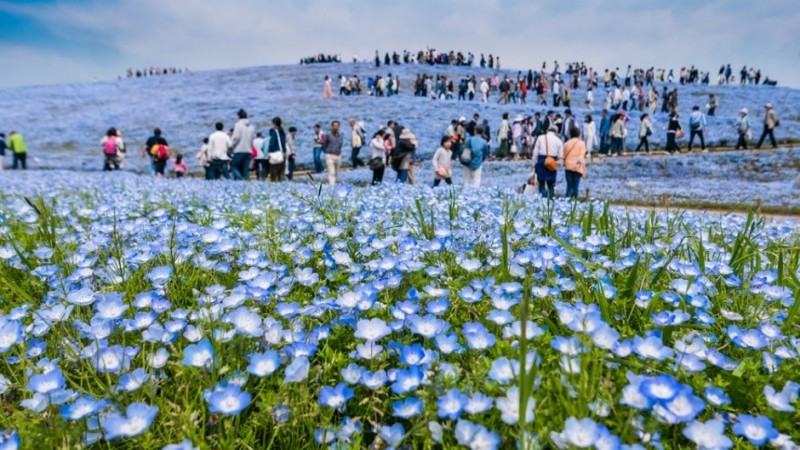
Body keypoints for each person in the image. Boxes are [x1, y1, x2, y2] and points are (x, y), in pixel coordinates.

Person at [533, 125, 564, 199]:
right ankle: (551, 199)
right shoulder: (558, 141)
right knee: (551, 183)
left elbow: (535, 152)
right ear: (556, 132)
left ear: (547, 130)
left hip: (541, 160)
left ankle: (542, 198)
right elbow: (560, 156)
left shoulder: (540, 138)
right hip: (552, 161)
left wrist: (533, 164)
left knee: (541, 182)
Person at [231, 109, 255, 180]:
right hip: (248, 151)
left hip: (239, 150)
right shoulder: (251, 127)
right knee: (245, 170)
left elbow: (236, 138)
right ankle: (246, 186)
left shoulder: (238, 125)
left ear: (238, 117)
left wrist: (231, 145)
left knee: (234, 167)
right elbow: (252, 139)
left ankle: (240, 180)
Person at [563, 127, 587, 199]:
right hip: (577, 166)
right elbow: (581, 156)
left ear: (570, 134)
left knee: (569, 185)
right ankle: (574, 201)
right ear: (578, 134)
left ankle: (567, 200)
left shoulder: (566, 143)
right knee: (575, 185)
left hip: (568, 165)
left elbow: (563, 155)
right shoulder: (581, 143)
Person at [265, 117, 287, 182]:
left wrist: (269, 152)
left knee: (274, 173)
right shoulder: (282, 131)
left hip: (275, 154)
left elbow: (272, 142)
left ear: (274, 123)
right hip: (282, 153)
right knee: (281, 173)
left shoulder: (273, 131)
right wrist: (284, 151)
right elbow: (283, 142)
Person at [322, 120, 343, 185]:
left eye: (337, 126)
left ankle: (334, 184)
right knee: (331, 172)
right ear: (332, 126)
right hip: (329, 155)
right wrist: (326, 152)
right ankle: (332, 186)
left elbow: (340, 145)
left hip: (338, 155)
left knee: (336, 172)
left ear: (339, 127)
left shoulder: (341, 135)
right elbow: (324, 144)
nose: (335, 127)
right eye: (334, 126)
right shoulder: (328, 135)